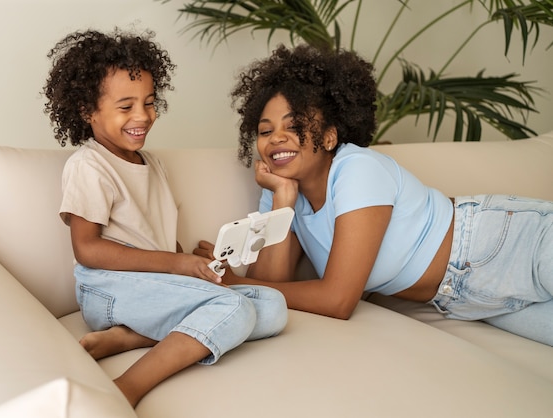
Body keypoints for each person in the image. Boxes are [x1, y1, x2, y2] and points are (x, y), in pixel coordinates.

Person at [195, 44, 553, 346]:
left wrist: (234, 281)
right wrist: (284, 199)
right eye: (265, 130)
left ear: (331, 137)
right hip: (462, 298)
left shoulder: (357, 169)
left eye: (295, 126)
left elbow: (338, 300)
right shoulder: (279, 189)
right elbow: (271, 291)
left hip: (513, 244)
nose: (275, 138)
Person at [42, 28, 287, 408]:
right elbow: (87, 249)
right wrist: (177, 264)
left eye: (149, 102)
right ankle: (126, 388)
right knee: (236, 309)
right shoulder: (89, 166)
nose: (142, 116)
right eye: (126, 107)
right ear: (86, 110)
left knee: (272, 307)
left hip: (152, 288)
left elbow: (160, 235)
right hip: (108, 289)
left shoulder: (153, 164)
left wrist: (195, 267)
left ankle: (132, 336)